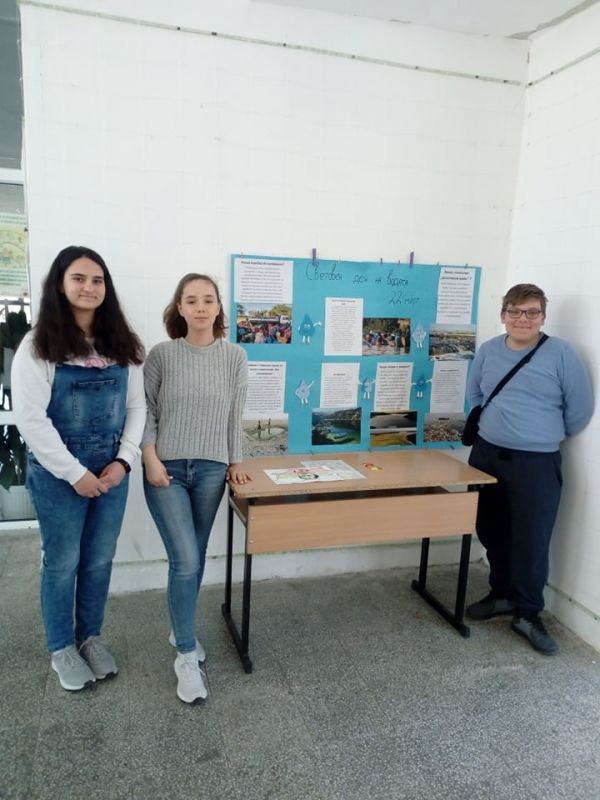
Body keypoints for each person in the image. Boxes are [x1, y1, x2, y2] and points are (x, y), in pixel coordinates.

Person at [12, 245, 146, 691]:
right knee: (62, 562)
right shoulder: (38, 346)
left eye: (97, 280)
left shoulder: (124, 344)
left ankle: (90, 637)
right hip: (58, 476)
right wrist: (75, 474)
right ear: (60, 284)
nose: (89, 287)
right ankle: (61, 648)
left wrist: (124, 461)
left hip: (111, 473)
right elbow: (31, 420)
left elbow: (137, 407)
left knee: (99, 559)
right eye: (79, 278)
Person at [466, 284, 593, 655]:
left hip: (536, 462)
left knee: (532, 539)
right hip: (487, 455)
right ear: (503, 314)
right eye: (515, 311)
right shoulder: (488, 351)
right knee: (490, 529)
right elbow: (475, 395)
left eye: (532, 312)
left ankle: (527, 613)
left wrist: (537, 434)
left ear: (543, 316)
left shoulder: (561, 354)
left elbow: (580, 410)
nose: (523, 318)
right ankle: (502, 593)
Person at [142, 273, 249, 704]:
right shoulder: (162, 355)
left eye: (208, 299)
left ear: (219, 307)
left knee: (195, 556)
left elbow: (235, 414)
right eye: (192, 300)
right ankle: (186, 655)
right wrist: (149, 459)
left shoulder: (235, 356)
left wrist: (236, 461)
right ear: (180, 308)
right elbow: (145, 411)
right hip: (165, 469)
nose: (201, 307)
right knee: (185, 559)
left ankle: (179, 626)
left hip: (211, 469)